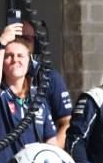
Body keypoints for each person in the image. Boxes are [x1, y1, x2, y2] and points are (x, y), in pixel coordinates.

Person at [0, 23, 58, 163]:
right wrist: (1, 43)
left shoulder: (38, 98)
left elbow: (51, 140)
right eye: (9, 56)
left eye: (20, 55)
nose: (15, 59)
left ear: (30, 62)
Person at [20, 20, 74, 148]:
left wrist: (49, 154)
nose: (21, 43)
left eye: (26, 39)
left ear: (36, 44)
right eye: (16, 37)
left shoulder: (50, 78)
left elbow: (67, 122)